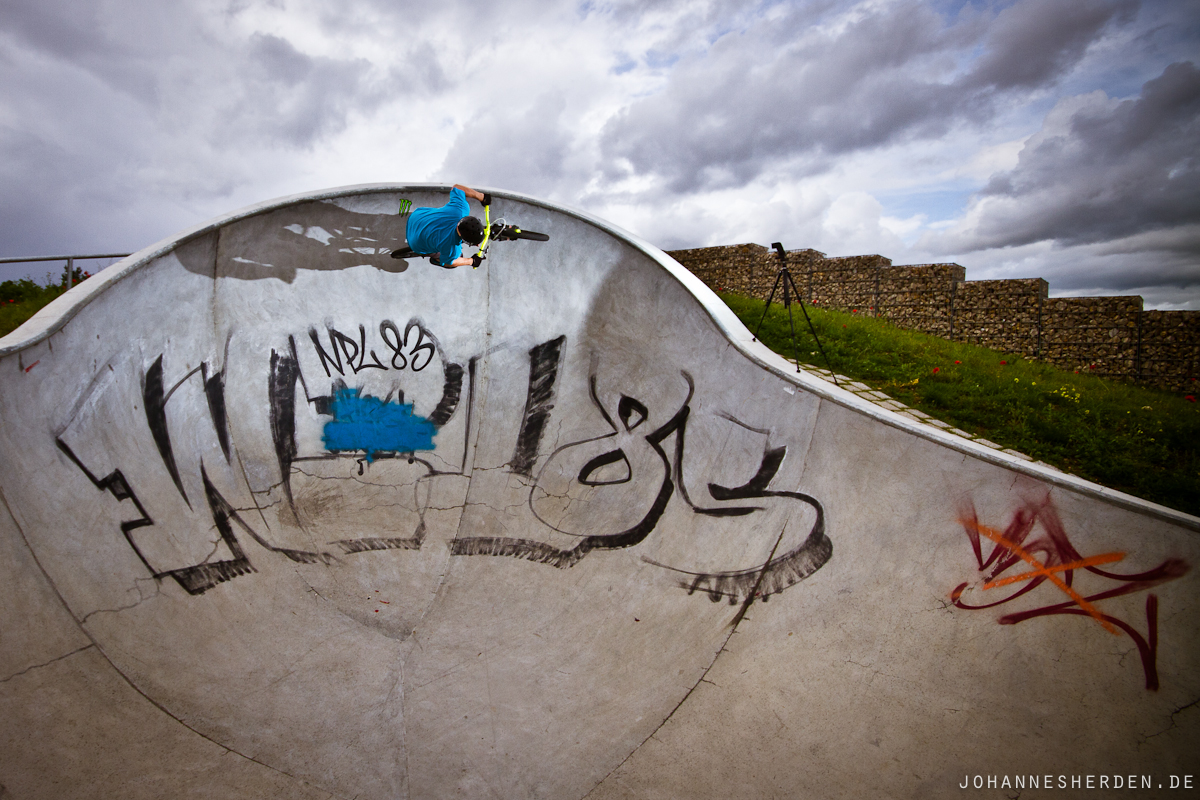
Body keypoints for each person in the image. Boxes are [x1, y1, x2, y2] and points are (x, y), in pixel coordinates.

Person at [392, 184, 491, 268]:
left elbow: (457, 187)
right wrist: (471, 261)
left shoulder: (461, 209)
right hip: (415, 243)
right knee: (457, 257)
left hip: (416, 216)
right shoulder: (452, 249)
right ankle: (436, 260)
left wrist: (482, 197)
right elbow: (451, 262)